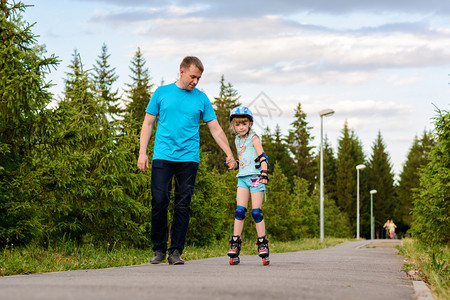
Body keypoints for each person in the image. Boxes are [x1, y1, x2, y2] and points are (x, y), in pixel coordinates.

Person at [137, 56, 237, 265]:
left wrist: (229, 153)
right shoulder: (161, 93)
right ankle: (159, 249)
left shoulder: (201, 99)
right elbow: (147, 124)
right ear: (181, 71)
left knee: (183, 204)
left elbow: (215, 129)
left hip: (188, 158)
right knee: (160, 201)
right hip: (163, 155)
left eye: (199, 78)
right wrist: (142, 153)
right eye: (193, 77)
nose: (196, 82)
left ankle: (175, 252)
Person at [226, 106, 270, 265]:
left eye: (244, 124)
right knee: (239, 211)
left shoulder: (254, 138)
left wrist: (264, 174)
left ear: (250, 123)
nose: (241, 127)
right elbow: (245, 160)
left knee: (256, 213)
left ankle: (262, 244)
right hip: (242, 178)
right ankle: (235, 244)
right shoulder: (237, 140)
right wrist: (235, 165)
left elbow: (262, 156)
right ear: (234, 126)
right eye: (237, 124)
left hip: (256, 178)